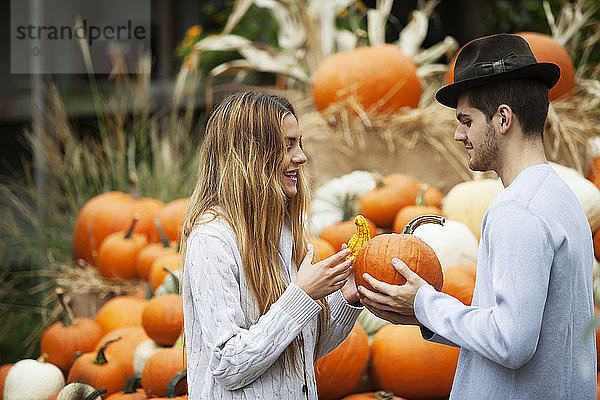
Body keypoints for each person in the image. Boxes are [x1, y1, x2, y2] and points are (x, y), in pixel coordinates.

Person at [358, 33, 597, 398]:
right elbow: (524, 328)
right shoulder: (559, 196)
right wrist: (426, 314)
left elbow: (511, 342)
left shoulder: (517, 210)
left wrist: (425, 302)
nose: (457, 134)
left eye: (466, 121)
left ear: (503, 119)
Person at [180, 91, 363, 399]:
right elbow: (229, 364)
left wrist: (346, 299)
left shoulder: (283, 231)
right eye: (287, 145)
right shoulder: (212, 240)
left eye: (299, 143)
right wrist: (302, 295)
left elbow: (296, 351)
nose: (301, 157)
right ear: (251, 155)